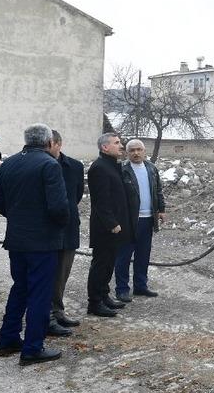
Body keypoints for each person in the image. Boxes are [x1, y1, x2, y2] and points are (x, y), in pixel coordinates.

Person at [0, 123, 69, 366]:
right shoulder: (49, 164)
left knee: (20, 288)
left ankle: (8, 339)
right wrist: (59, 223)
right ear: (48, 142)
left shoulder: (10, 163)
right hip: (43, 242)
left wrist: (18, 216)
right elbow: (58, 207)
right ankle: (33, 347)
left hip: (17, 239)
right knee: (40, 294)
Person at [86, 133, 135, 317]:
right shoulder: (99, 168)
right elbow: (101, 201)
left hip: (116, 227)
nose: (121, 146)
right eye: (116, 143)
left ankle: (104, 296)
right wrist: (112, 223)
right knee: (100, 264)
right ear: (104, 147)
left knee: (109, 264)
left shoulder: (112, 166)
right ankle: (94, 303)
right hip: (106, 228)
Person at [115, 139, 165, 302]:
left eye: (139, 150)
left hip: (148, 219)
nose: (136, 153)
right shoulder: (122, 170)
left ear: (144, 151)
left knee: (143, 255)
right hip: (128, 221)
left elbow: (158, 190)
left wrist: (161, 210)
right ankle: (122, 289)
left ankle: (140, 286)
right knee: (123, 256)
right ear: (127, 153)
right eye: (132, 150)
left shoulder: (151, 168)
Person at [47, 130, 84, 332]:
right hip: (45, 229)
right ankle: (47, 315)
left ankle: (57, 311)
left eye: (49, 144)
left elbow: (76, 196)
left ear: (58, 144)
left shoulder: (74, 167)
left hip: (68, 227)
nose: (45, 148)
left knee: (62, 273)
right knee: (45, 274)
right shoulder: (38, 165)